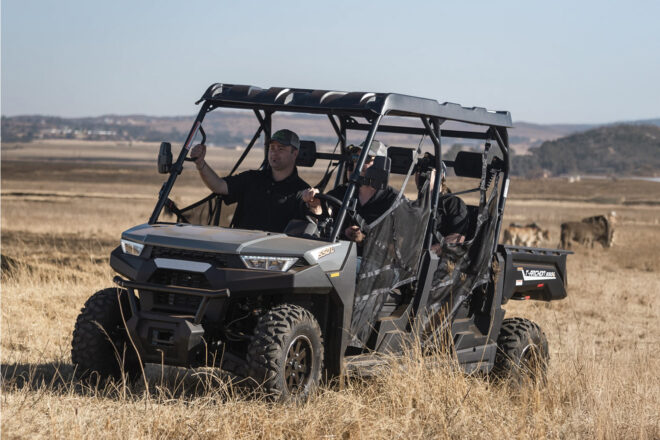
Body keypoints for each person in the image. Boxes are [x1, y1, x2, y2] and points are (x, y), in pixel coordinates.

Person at [189, 129, 310, 233]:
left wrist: (316, 207)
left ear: (295, 153)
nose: (274, 152)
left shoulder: (303, 192)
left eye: (281, 148)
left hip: (276, 251)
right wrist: (200, 164)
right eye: (272, 148)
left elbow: (311, 223)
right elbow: (219, 186)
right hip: (239, 247)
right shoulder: (251, 178)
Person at [302, 140, 397, 245]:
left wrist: (363, 238)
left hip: (371, 255)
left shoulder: (393, 200)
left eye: (366, 158)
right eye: (356, 158)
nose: (359, 163)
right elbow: (323, 216)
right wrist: (315, 206)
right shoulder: (342, 192)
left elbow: (398, 245)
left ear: (381, 164)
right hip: (337, 252)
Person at [416, 160, 469, 253]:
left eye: (426, 171)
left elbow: (456, 239)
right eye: (418, 171)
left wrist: (428, 251)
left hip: (439, 258)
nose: (421, 175)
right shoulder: (415, 206)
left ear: (440, 176)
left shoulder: (453, 203)